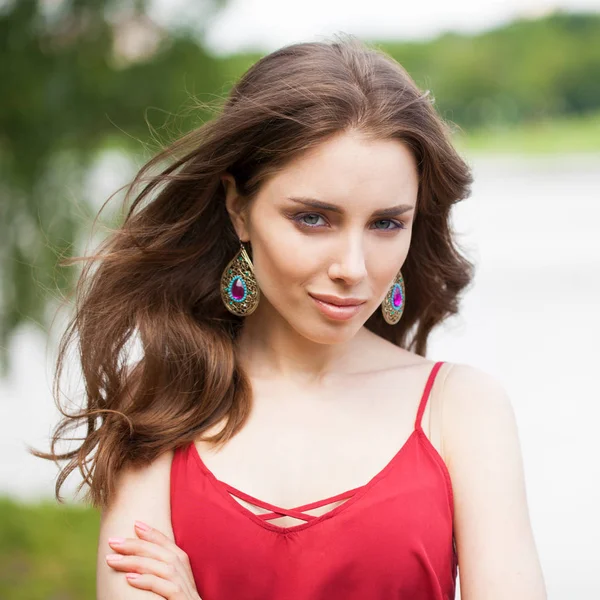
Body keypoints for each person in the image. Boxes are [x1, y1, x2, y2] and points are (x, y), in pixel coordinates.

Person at [34, 35, 547, 599]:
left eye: (385, 224)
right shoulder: (165, 398)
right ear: (238, 209)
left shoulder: (463, 410)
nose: (353, 268)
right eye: (313, 219)